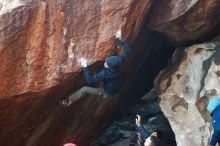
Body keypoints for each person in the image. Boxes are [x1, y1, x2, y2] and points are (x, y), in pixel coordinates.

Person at [60, 30, 131, 107]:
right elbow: (128, 50)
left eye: (106, 64)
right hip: (118, 86)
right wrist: (119, 39)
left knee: (84, 89)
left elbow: (89, 80)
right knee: (95, 74)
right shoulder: (118, 61)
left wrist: (85, 67)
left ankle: (69, 101)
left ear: (110, 67)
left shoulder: (104, 73)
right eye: (106, 61)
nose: (105, 63)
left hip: (106, 92)